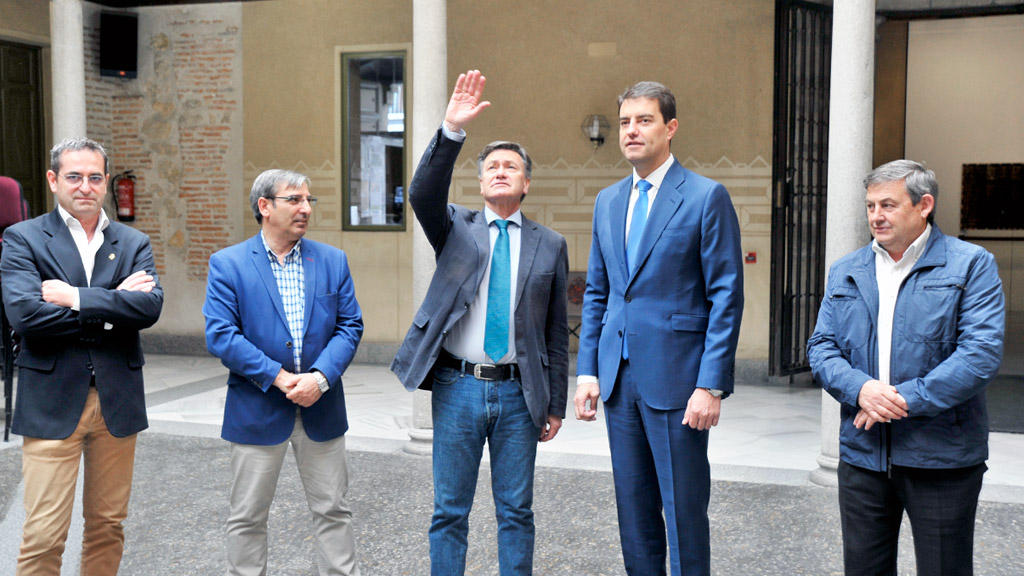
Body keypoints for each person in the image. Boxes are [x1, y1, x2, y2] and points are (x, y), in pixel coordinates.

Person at [391, 70, 569, 576]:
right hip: (458, 386)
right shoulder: (456, 227)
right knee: (449, 511)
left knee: (516, 512)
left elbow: (555, 331)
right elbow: (422, 193)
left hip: (518, 394)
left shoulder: (549, 244)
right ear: (480, 180)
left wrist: (554, 401)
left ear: (527, 183)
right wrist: (450, 129)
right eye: (491, 166)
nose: (499, 172)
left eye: (510, 167)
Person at [573, 81, 744, 576]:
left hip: (679, 383)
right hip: (619, 382)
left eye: (643, 120)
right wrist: (587, 372)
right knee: (634, 513)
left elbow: (725, 296)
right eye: (625, 121)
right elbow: (600, 294)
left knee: (685, 514)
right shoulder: (608, 201)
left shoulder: (705, 197)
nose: (631, 131)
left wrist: (710, 384)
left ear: (670, 128)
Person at [807, 160, 1004, 576]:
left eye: (888, 205)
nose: (876, 215)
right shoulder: (847, 270)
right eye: (870, 206)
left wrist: (898, 399)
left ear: (924, 204)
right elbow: (822, 347)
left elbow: (980, 353)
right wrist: (862, 390)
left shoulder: (971, 264)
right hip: (863, 457)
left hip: (942, 459)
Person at [0, 137, 163, 575]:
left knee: (108, 524)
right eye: (74, 177)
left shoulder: (132, 241)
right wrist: (112, 308)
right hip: (52, 397)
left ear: (106, 181)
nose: (85, 186)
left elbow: (148, 308)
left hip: (117, 401)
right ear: (54, 180)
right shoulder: (23, 238)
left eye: (94, 177)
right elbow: (25, 316)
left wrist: (74, 297)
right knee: (44, 534)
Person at [203, 169, 364, 576]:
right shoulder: (228, 264)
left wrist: (320, 378)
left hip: (321, 407)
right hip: (256, 409)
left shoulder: (332, 260)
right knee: (247, 517)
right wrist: (277, 376)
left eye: (309, 200)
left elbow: (350, 326)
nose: (305, 208)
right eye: (294, 200)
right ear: (264, 207)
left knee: (334, 511)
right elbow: (221, 334)